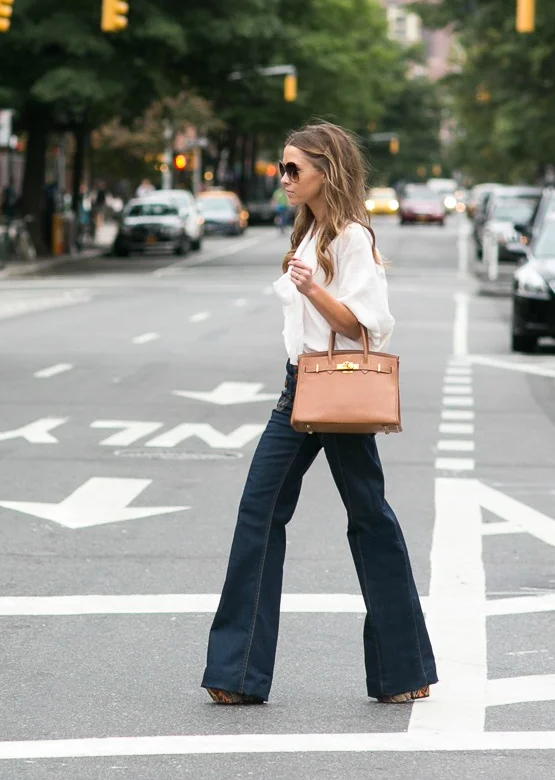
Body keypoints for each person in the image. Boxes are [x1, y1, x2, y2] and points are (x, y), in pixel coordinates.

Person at [202, 121, 437, 706]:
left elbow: (364, 326)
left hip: (336, 386)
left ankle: (404, 671)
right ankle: (236, 674)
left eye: (292, 169)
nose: (283, 179)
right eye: (280, 168)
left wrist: (311, 290)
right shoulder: (308, 231)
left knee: (369, 518)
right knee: (260, 510)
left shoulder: (352, 237)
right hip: (299, 385)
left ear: (324, 172)